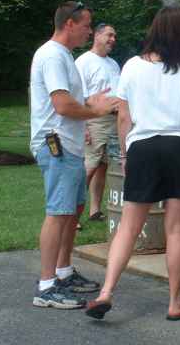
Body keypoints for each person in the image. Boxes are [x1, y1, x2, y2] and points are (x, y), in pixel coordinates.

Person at [85, 6, 180, 321]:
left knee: (128, 226)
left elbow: (124, 118)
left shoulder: (131, 66)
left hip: (143, 147)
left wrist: (125, 155)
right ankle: (175, 302)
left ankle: (106, 292)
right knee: (177, 229)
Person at [30, 1, 117, 309]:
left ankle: (63, 272)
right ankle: (46, 287)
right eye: (86, 25)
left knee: (71, 211)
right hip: (56, 146)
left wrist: (91, 105)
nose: (89, 31)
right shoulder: (52, 55)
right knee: (58, 213)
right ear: (69, 24)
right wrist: (95, 111)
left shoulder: (64, 56)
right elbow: (62, 106)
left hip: (70, 145)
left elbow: (72, 102)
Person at [75, 23, 121, 222]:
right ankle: (72, 215)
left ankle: (95, 210)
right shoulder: (83, 62)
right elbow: (78, 97)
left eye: (114, 36)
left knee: (102, 166)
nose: (113, 39)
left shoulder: (113, 64)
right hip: (94, 120)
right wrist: (84, 125)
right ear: (97, 35)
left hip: (114, 119)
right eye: (109, 35)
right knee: (89, 166)